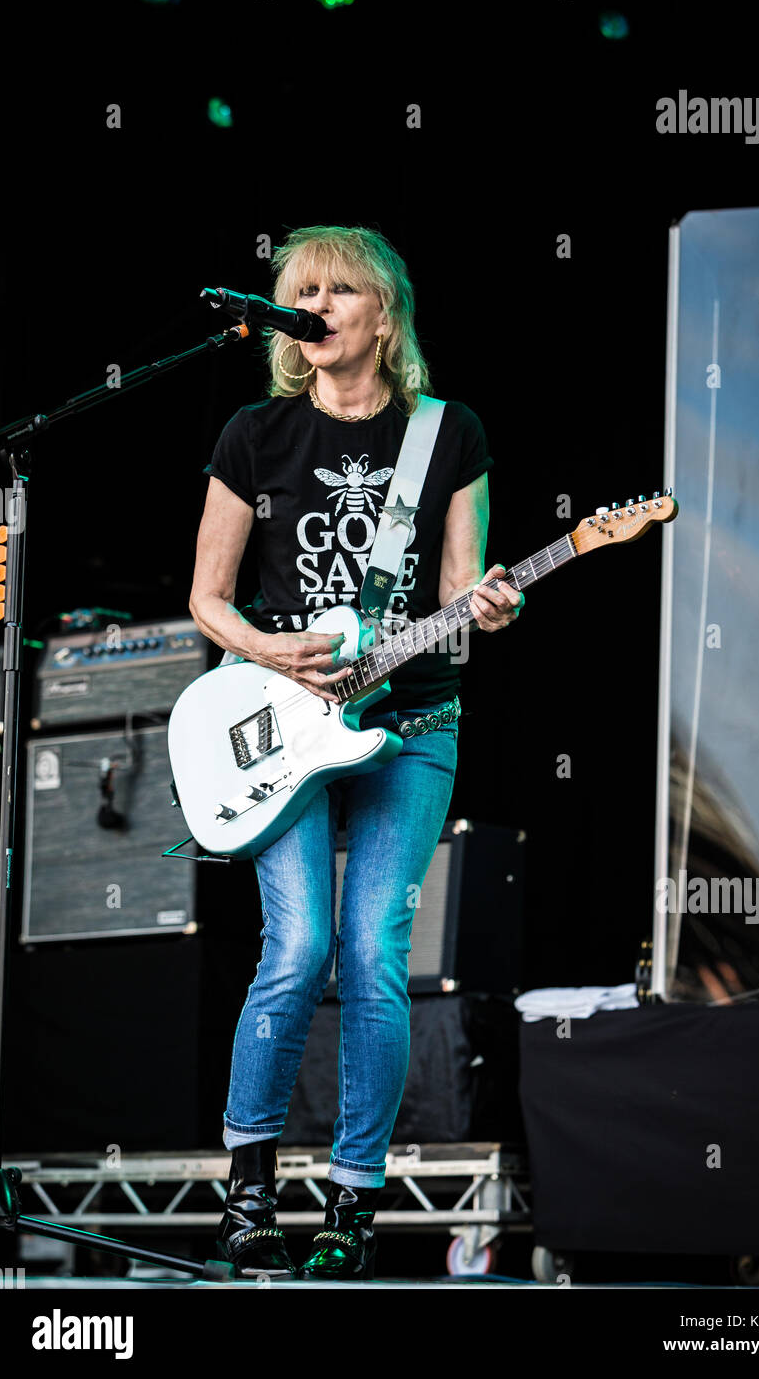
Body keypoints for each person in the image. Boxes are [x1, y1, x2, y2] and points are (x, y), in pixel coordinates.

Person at [189, 224, 523, 1281]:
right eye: (302, 291)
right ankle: (246, 1193)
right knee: (294, 951)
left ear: (384, 312)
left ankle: (352, 1202)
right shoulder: (253, 433)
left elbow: (459, 594)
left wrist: (491, 605)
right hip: (284, 728)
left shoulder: (446, 431)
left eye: (338, 289)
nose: (317, 305)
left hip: (410, 720)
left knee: (372, 951)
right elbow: (205, 598)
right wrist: (269, 649)